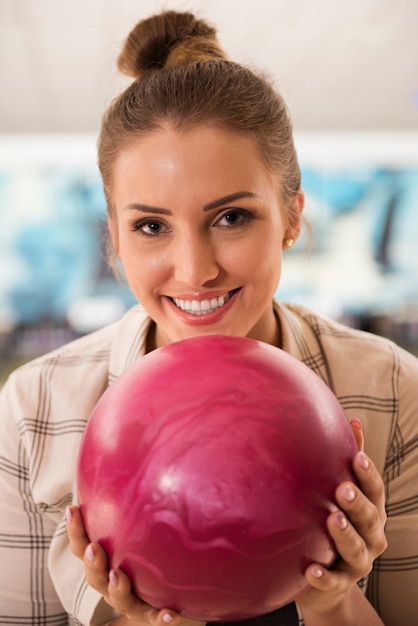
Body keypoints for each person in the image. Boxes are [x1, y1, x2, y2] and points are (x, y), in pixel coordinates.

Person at [0, 9, 417, 626]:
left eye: (231, 217)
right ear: (114, 238)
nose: (195, 271)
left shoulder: (392, 389)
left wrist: (332, 600)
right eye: (150, 226)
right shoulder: (34, 410)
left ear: (293, 217)